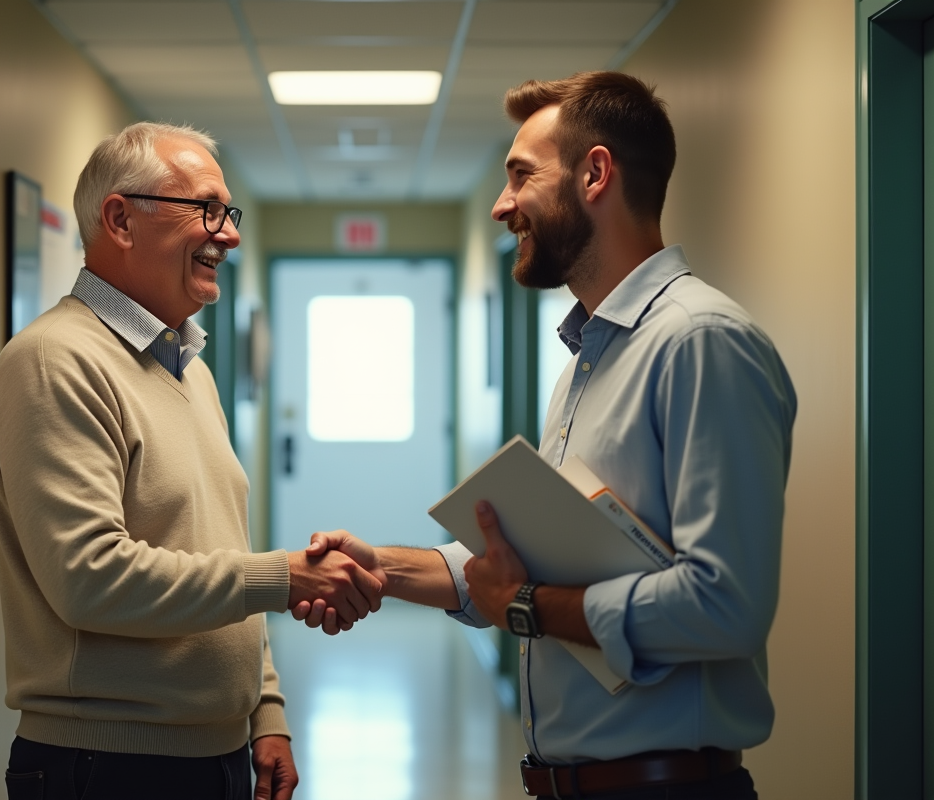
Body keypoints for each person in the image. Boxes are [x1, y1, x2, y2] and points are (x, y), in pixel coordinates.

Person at [296, 71, 796, 799]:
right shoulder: (589, 360)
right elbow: (520, 562)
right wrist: (380, 566)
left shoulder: (699, 343)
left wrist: (527, 604)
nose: (502, 206)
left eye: (520, 177)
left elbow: (725, 606)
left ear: (596, 174)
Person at [0, 121, 385, 800]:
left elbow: (219, 548)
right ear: (121, 220)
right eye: (205, 210)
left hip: (213, 753)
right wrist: (284, 577)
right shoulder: (55, 362)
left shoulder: (187, 366)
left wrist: (265, 710)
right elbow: (90, 578)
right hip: (107, 767)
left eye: (228, 212)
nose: (227, 234)